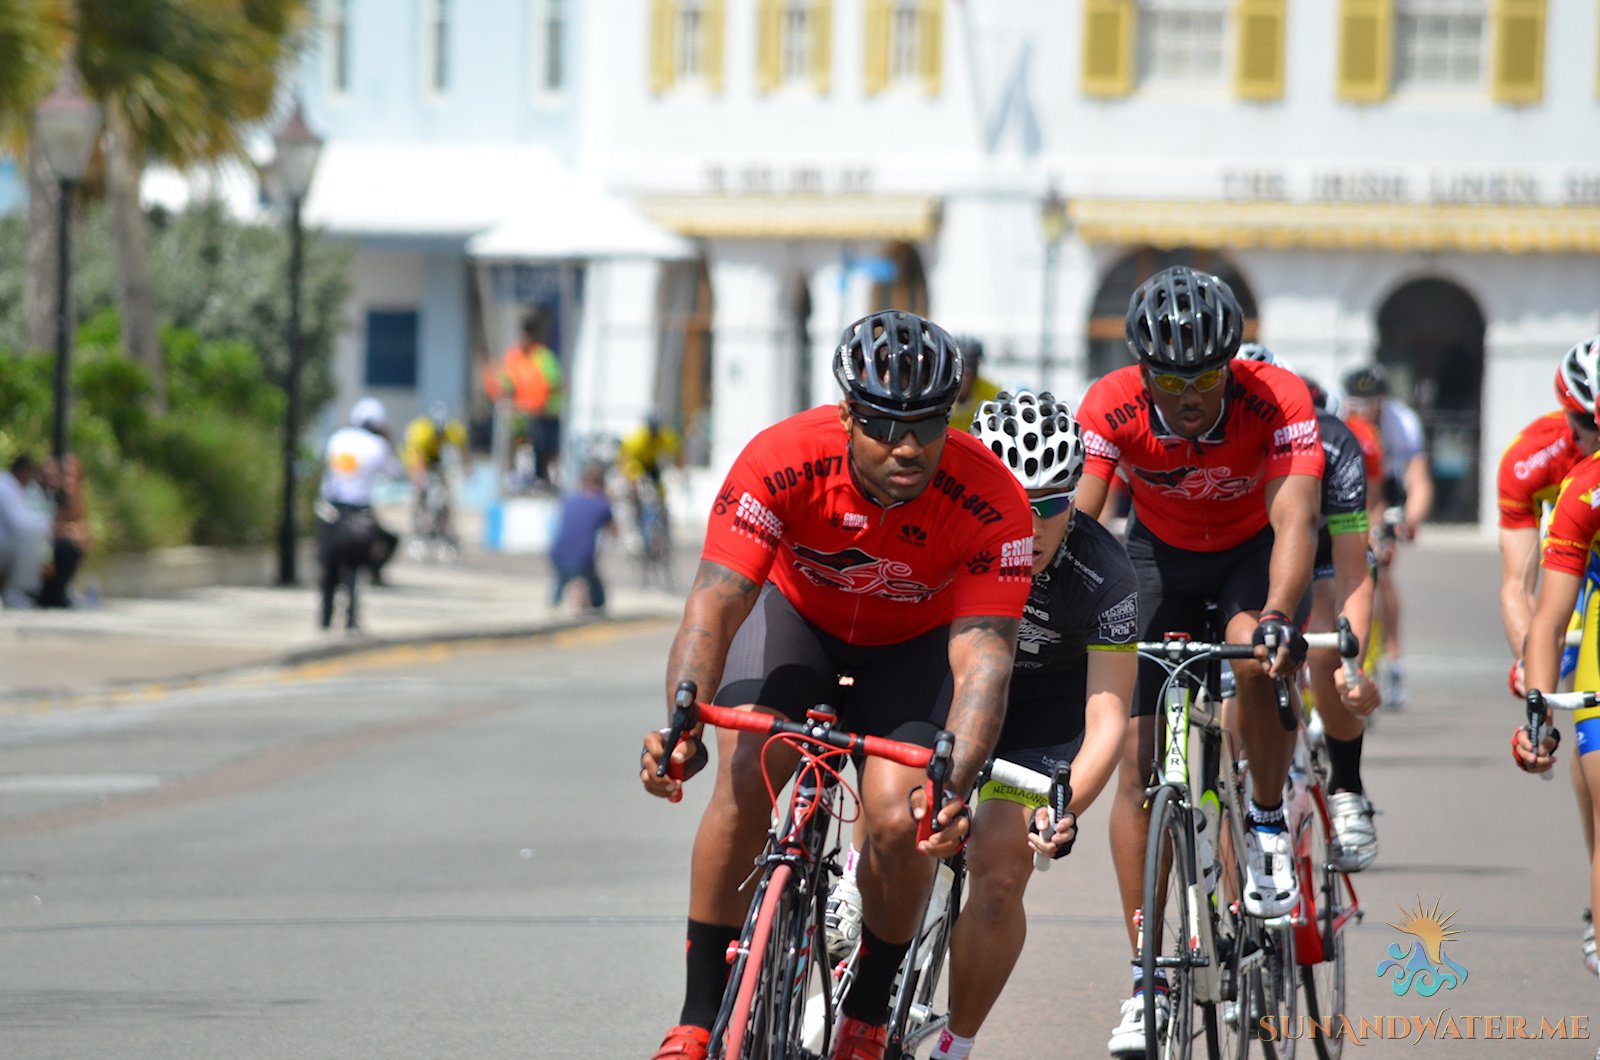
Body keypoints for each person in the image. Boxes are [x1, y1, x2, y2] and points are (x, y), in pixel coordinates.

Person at [638, 310, 1034, 1060]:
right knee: (746, 774)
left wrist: (954, 787)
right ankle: (695, 1018)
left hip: (912, 650)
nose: (909, 446)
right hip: (798, 624)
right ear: (848, 414)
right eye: (885, 425)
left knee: (896, 818)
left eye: (927, 424)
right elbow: (717, 601)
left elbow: (984, 657)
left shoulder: (992, 501)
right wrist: (684, 718)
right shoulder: (781, 457)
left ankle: (868, 1012)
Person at [1073, 267, 1322, 1056]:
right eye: (1170, 378)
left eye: (1208, 376)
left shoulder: (1277, 397)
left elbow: (1295, 517)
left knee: (1254, 657)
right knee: (1137, 761)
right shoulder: (1109, 404)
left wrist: (1281, 615)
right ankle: (1148, 975)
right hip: (1157, 563)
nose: (1189, 393)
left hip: (1253, 558)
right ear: (1141, 369)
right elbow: (1079, 525)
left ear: (1235, 363)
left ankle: (1267, 817)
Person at [921, 390, 1139, 1060]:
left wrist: (1064, 801)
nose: (1033, 522)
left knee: (996, 869)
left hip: (1044, 719)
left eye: (1051, 504)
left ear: (1077, 496)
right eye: (1016, 502)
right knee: (904, 808)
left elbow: (1106, 718)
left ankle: (956, 1043)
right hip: (951, 690)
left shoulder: (1104, 573)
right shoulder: (945, 530)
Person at [1238, 344, 1383, 870]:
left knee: (1324, 643)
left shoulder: (1334, 441)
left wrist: (1353, 664)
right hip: (1249, 554)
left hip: (1321, 553)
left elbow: (1351, 573)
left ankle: (1346, 784)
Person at [1502, 337, 1600, 976]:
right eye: (1583, 423)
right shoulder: (1573, 482)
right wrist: (1537, 703)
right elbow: (1535, 602)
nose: (1587, 434)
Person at [1499, 337, 1600, 697]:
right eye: (1590, 423)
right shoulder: (1528, 459)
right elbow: (1517, 584)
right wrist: (1529, 663)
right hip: (1577, 572)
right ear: (1569, 417)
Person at [1342, 363, 1432, 708]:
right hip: (1350, 485)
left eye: (1369, 405)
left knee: (1382, 574)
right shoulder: (1340, 415)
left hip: (1385, 491)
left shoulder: (1401, 422)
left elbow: (1418, 479)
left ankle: (1393, 662)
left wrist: (1409, 519)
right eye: (1357, 405)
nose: (1363, 412)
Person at [316, 397, 403, 631]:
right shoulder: (378, 445)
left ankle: (324, 620)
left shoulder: (338, 438)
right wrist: (388, 440)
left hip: (330, 510)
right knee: (357, 568)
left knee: (329, 568)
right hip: (359, 515)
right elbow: (395, 471)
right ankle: (352, 619)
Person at [486, 312, 564, 489]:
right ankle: (515, 478)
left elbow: (555, 384)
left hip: (542, 415)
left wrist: (547, 406)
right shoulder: (514, 357)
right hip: (520, 417)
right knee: (519, 446)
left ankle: (542, 479)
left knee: (544, 449)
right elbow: (506, 383)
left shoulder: (544, 357)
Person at [550, 459, 615, 612]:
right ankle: (591, 603)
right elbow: (614, 531)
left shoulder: (568, 500)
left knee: (563, 577)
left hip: (556, 555)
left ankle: (555, 602)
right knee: (598, 595)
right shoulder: (602, 504)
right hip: (582, 559)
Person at [402, 404, 468, 555]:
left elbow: (463, 449)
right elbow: (415, 456)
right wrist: (419, 477)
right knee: (419, 493)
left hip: (437, 458)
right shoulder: (421, 431)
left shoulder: (453, 431)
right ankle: (418, 529)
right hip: (418, 457)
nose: (439, 436)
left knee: (446, 495)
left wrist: (466, 469)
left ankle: (446, 527)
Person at [35, 454, 92, 609]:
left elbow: (83, 530)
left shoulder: (72, 496)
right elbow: (45, 525)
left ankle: (62, 590)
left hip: (50, 552)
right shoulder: (36, 492)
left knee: (75, 544)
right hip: (35, 551)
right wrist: (66, 530)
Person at [0, 454, 51, 609]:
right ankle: (14, 592)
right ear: (23, 471)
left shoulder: (16, 488)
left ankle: (20, 591)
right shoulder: (5, 487)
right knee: (29, 538)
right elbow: (20, 524)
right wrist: (53, 524)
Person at [617, 411, 685, 521]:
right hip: (635, 463)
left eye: (656, 433)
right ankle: (637, 510)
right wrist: (632, 479)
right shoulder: (636, 439)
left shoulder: (664, 436)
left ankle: (662, 513)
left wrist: (680, 469)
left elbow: (677, 450)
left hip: (651, 463)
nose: (654, 436)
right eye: (651, 433)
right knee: (638, 484)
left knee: (660, 488)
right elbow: (624, 460)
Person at [948, 335, 1002, 434]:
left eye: (971, 369)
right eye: (962, 371)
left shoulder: (991, 393)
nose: (966, 377)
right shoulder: (942, 390)